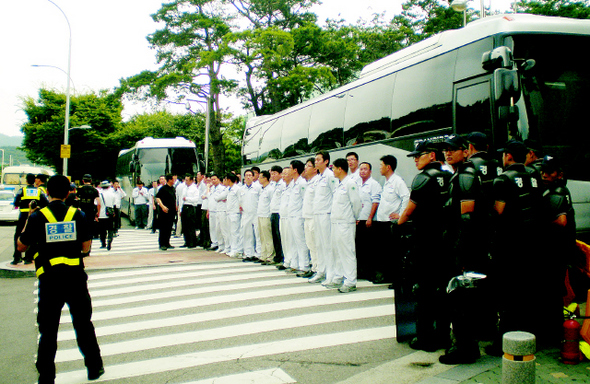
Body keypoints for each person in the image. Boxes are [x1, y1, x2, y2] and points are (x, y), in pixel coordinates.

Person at [17, 175, 104, 383]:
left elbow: (21, 246)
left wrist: (29, 218)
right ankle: (94, 368)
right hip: (75, 278)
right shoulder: (78, 214)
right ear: (68, 193)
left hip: (49, 281)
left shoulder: (38, 216)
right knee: (83, 324)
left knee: (48, 329)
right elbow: (86, 247)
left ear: (47, 192)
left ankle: (47, 376)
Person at [488, 139, 542, 354]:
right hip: (532, 243)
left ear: (508, 156)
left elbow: (498, 212)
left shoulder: (502, 180)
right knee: (527, 291)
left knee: (507, 295)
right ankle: (528, 338)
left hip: (508, 245)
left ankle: (505, 343)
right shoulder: (534, 176)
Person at [398, 140, 452, 354]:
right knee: (443, 289)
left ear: (431, 156)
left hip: (426, 243)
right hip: (445, 242)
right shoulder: (449, 176)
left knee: (425, 291)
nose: (415, 160)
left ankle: (425, 337)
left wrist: (398, 224)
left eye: (418, 156)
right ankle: (444, 335)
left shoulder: (422, 178)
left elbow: (409, 211)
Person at [537, 155, 576, 347]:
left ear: (559, 174)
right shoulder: (560, 190)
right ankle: (554, 333)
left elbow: (561, 222)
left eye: (549, 172)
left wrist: (541, 224)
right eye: (543, 171)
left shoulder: (557, 192)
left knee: (550, 293)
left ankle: (551, 336)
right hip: (559, 251)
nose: (545, 175)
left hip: (555, 252)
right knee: (552, 292)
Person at [373, 154, 410, 284]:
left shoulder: (397, 181)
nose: (380, 168)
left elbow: (406, 196)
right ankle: (387, 276)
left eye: (381, 165)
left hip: (391, 223)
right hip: (382, 222)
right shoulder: (387, 181)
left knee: (393, 253)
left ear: (388, 167)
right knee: (385, 252)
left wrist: (400, 214)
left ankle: (396, 279)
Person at [330, 158, 362, 292]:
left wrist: (353, 217)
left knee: (347, 252)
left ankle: (350, 281)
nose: (332, 171)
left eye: (334, 168)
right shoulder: (339, 184)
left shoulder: (350, 183)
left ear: (340, 169)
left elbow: (357, 204)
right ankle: (338, 277)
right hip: (336, 222)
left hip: (345, 223)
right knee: (337, 252)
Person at [309, 151, 337, 284]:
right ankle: (321, 271)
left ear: (326, 161)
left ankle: (331, 274)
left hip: (326, 215)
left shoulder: (330, 176)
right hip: (317, 214)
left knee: (327, 246)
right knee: (319, 244)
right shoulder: (319, 177)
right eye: (315, 159)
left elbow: (335, 194)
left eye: (318, 159)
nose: (316, 162)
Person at [12, 173, 49, 265]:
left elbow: (15, 202)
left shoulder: (22, 190)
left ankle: (17, 257)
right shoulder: (39, 191)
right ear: (34, 180)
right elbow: (45, 203)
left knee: (18, 235)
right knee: (34, 236)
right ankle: (29, 257)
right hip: (35, 216)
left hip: (23, 216)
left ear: (27, 180)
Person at [356, 162, 382, 280]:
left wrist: (370, 217)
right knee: (359, 248)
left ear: (370, 171)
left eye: (365, 169)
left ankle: (370, 273)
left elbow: (375, 202)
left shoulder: (374, 184)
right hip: (358, 220)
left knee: (369, 249)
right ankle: (361, 272)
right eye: (361, 169)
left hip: (368, 221)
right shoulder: (357, 184)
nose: (362, 171)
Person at [302, 158, 319, 277]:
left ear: (315, 169)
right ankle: (314, 267)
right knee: (310, 244)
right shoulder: (309, 182)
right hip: (307, 217)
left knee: (316, 244)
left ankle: (319, 268)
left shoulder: (318, 181)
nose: (305, 168)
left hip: (314, 217)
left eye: (308, 166)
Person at [240, 169, 262, 261]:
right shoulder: (242, 189)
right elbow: (240, 201)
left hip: (256, 213)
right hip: (246, 214)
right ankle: (249, 254)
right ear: (244, 178)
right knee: (247, 234)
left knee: (257, 234)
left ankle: (259, 254)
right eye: (246, 175)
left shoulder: (258, 187)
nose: (248, 177)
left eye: (250, 175)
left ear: (253, 177)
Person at [257, 170, 276, 263]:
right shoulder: (262, 189)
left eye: (260, 177)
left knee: (268, 237)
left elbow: (272, 202)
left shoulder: (270, 189)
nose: (259, 179)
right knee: (262, 237)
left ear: (265, 178)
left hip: (266, 215)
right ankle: (263, 255)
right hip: (260, 215)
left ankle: (270, 256)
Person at [156, 174, 177, 251]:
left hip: (171, 211)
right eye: (173, 179)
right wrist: (162, 206)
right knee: (163, 228)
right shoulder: (163, 189)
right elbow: (158, 198)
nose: (174, 181)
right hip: (164, 212)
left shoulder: (173, 188)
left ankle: (167, 242)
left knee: (169, 227)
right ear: (169, 180)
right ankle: (162, 244)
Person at [225, 172, 243, 257]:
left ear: (229, 180)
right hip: (229, 212)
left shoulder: (237, 189)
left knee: (235, 232)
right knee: (230, 232)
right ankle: (233, 248)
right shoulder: (229, 189)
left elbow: (240, 200)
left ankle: (237, 250)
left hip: (235, 213)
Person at [269, 166, 284, 264]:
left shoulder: (283, 184)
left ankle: (282, 257)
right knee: (274, 236)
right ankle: (277, 256)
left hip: (279, 212)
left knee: (280, 236)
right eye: (272, 173)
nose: (273, 175)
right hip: (273, 212)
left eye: (275, 173)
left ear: (280, 174)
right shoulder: (273, 185)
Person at [180, 174, 200, 248]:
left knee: (190, 226)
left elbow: (196, 199)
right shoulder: (185, 188)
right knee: (185, 225)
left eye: (187, 180)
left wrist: (187, 198)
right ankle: (186, 241)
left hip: (191, 206)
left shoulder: (194, 189)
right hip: (184, 206)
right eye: (185, 180)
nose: (186, 181)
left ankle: (192, 242)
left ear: (191, 180)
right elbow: (182, 198)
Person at [98, 181, 115, 251]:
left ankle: (103, 243)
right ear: (108, 186)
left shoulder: (99, 194)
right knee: (110, 229)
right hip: (110, 214)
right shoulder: (112, 194)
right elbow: (114, 203)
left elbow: (97, 204)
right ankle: (109, 242)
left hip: (101, 214)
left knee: (102, 230)